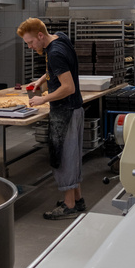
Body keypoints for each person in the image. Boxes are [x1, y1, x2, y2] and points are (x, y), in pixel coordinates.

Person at [16, 18, 85, 220]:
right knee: (72, 156)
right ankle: (78, 199)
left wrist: (43, 99)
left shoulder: (54, 53)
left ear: (40, 35)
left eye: (30, 42)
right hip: (74, 108)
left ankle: (69, 206)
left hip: (65, 110)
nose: (30, 47)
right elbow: (56, 70)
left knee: (64, 158)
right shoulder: (60, 38)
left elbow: (68, 87)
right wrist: (41, 80)